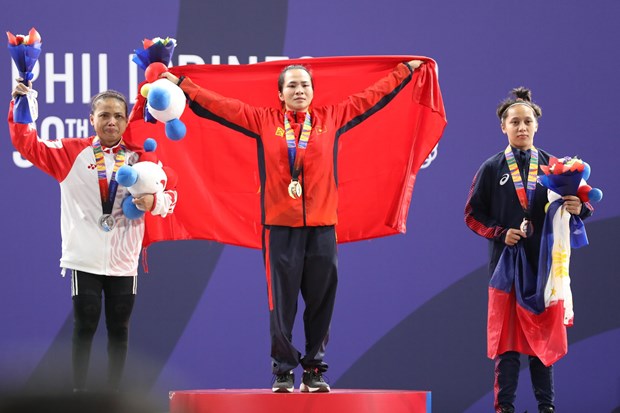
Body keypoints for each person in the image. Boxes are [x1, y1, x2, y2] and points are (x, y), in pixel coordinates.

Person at [160, 58, 424, 393]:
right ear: (281, 94)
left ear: (313, 92)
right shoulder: (263, 121)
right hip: (279, 228)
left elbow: (372, 97)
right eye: (292, 86)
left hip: (323, 227)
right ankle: (283, 371)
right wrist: (183, 86)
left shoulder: (332, 118)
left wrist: (405, 71)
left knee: (321, 300)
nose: (299, 90)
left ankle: (314, 370)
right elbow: (221, 107)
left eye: (305, 85)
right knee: (281, 304)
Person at [8, 83, 177, 392]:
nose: (111, 122)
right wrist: (22, 100)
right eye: (104, 115)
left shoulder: (140, 159)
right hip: (83, 256)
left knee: (119, 329)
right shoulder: (71, 152)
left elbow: (168, 195)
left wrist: (156, 202)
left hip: (123, 260)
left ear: (127, 121)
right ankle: (79, 394)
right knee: (84, 324)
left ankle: (113, 399)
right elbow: (27, 145)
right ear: (91, 119)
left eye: (118, 116)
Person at [464, 87, 593, 413]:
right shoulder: (492, 169)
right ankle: (504, 407)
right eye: (514, 122)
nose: (521, 127)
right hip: (505, 266)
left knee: (542, 342)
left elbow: (582, 207)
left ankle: (546, 407)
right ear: (503, 127)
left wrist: (578, 206)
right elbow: (472, 215)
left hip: (545, 268)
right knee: (506, 343)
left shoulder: (555, 167)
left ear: (537, 125)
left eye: (527, 122)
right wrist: (500, 232)